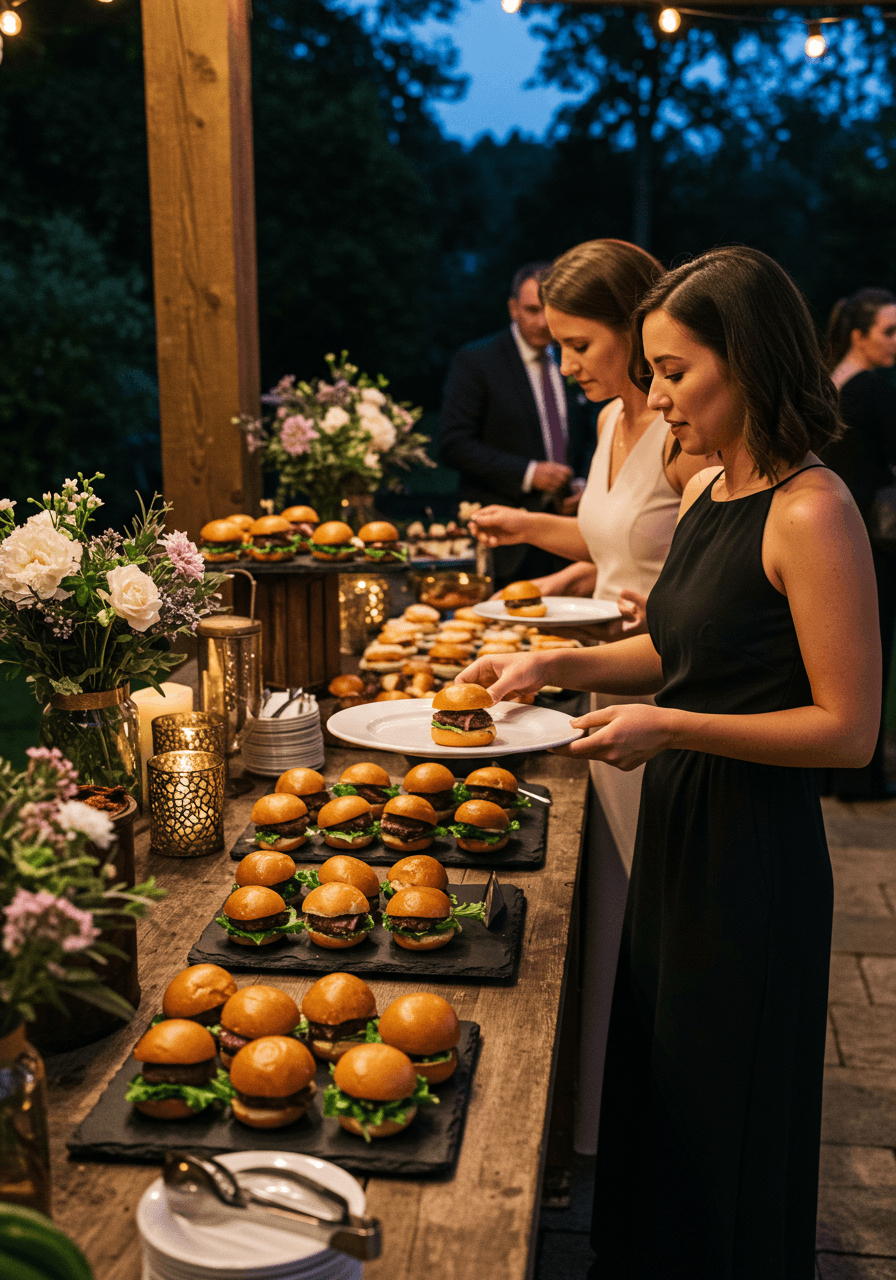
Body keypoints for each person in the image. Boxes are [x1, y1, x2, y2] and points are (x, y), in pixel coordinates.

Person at [458, 246, 880, 1279]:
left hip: (750, 844)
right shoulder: (706, 492)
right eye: (648, 370)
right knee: (660, 1076)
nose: (655, 396)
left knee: (720, 1094)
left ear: (749, 359)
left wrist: (672, 725)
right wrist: (557, 656)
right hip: (683, 819)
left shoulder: (811, 508)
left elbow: (846, 729)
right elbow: (675, 649)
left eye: (674, 370)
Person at [468, 238, 715, 1152]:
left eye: (580, 344)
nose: (567, 364)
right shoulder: (613, 421)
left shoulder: (689, 437)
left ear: (634, 329)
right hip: (600, 680)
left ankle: (650, 1127)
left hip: (659, 694)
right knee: (604, 918)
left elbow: (688, 580)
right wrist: (524, 526)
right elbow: (604, 535)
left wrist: (661, 608)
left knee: (656, 928)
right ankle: (592, 1128)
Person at [438, 261, 597, 585]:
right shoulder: (478, 360)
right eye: (531, 310)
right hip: (503, 536)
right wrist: (528, 472)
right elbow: (454, 443)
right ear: (513, 309)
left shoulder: (572, 358)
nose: (541, 322)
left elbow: (592, 429)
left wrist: (584, 483)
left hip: (568, 536)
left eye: (549, 311)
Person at [824, 288, 896, 799]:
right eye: (889, 331)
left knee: (837, 653)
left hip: (835, 533)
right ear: (858, 336)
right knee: (873, 650)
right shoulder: (871, 387)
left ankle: (836, 771)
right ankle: (863, 778)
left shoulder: (829, 384)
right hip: (875, 536)